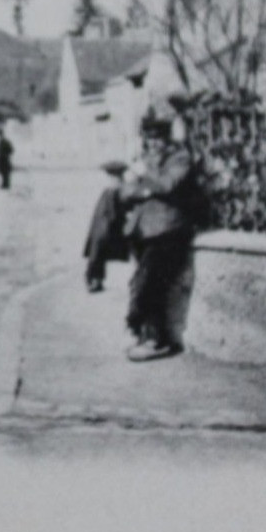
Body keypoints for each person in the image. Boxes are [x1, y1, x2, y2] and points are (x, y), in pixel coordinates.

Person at [117, 107, 205, 361]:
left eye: (157, 138)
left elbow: (168, 185)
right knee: (143, 282)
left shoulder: (180, 158)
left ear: (168, 139)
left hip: (170, 231)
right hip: (144, 231)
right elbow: (125, 192)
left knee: (150, 282)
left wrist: (145, 178)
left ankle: (155, 340)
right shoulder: (147, 160)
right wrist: (144, 187)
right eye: (149, 138)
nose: (152, 144)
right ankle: (149, 336)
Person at [82, 159, 133, 293]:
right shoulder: (116, 189)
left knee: (97, 253)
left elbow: (112, 211)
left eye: (113, 175)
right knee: (98, 253)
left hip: (104, 226)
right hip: (105, 225)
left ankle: (94, 280)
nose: (112, 178)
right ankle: (95, 280)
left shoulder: (113, 190)